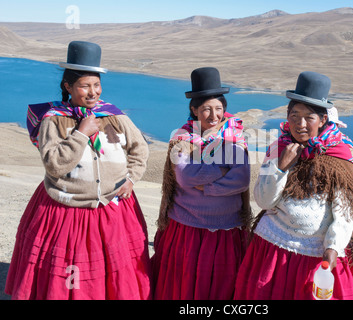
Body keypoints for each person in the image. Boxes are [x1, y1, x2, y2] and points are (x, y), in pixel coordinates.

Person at [5, 41, 152, 300]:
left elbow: (140, 149)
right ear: (68, 87)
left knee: (113, 273)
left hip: (112, 206)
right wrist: (81, 134)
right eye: (85, 86)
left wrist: (131, 177)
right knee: (68, 274)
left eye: (96, 85)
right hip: (66, 210)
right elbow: (54, 164)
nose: (93, 92)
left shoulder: (113, 116)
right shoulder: (54, 120)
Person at [234, 71, 353, 300]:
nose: (300, 124)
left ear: (323, 120)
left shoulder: (339, 155)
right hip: (272, 250)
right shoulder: (278, 148)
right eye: (294, 115)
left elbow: (345, 211)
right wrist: (281, 167)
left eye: (309, 117)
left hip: (317, 255)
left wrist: (333, 247)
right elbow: (264, 201)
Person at [151, 67, 252, 300]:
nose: (213, 115)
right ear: (194, 109)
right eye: (206, 109)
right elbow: (184, 176)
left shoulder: (235, 138)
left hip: (225, 228)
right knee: (184, 285)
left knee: (218, 288)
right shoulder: (182, 138)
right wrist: (222, 168)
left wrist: (206, 186)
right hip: (186, 226)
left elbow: (242, 179)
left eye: (218, 109)